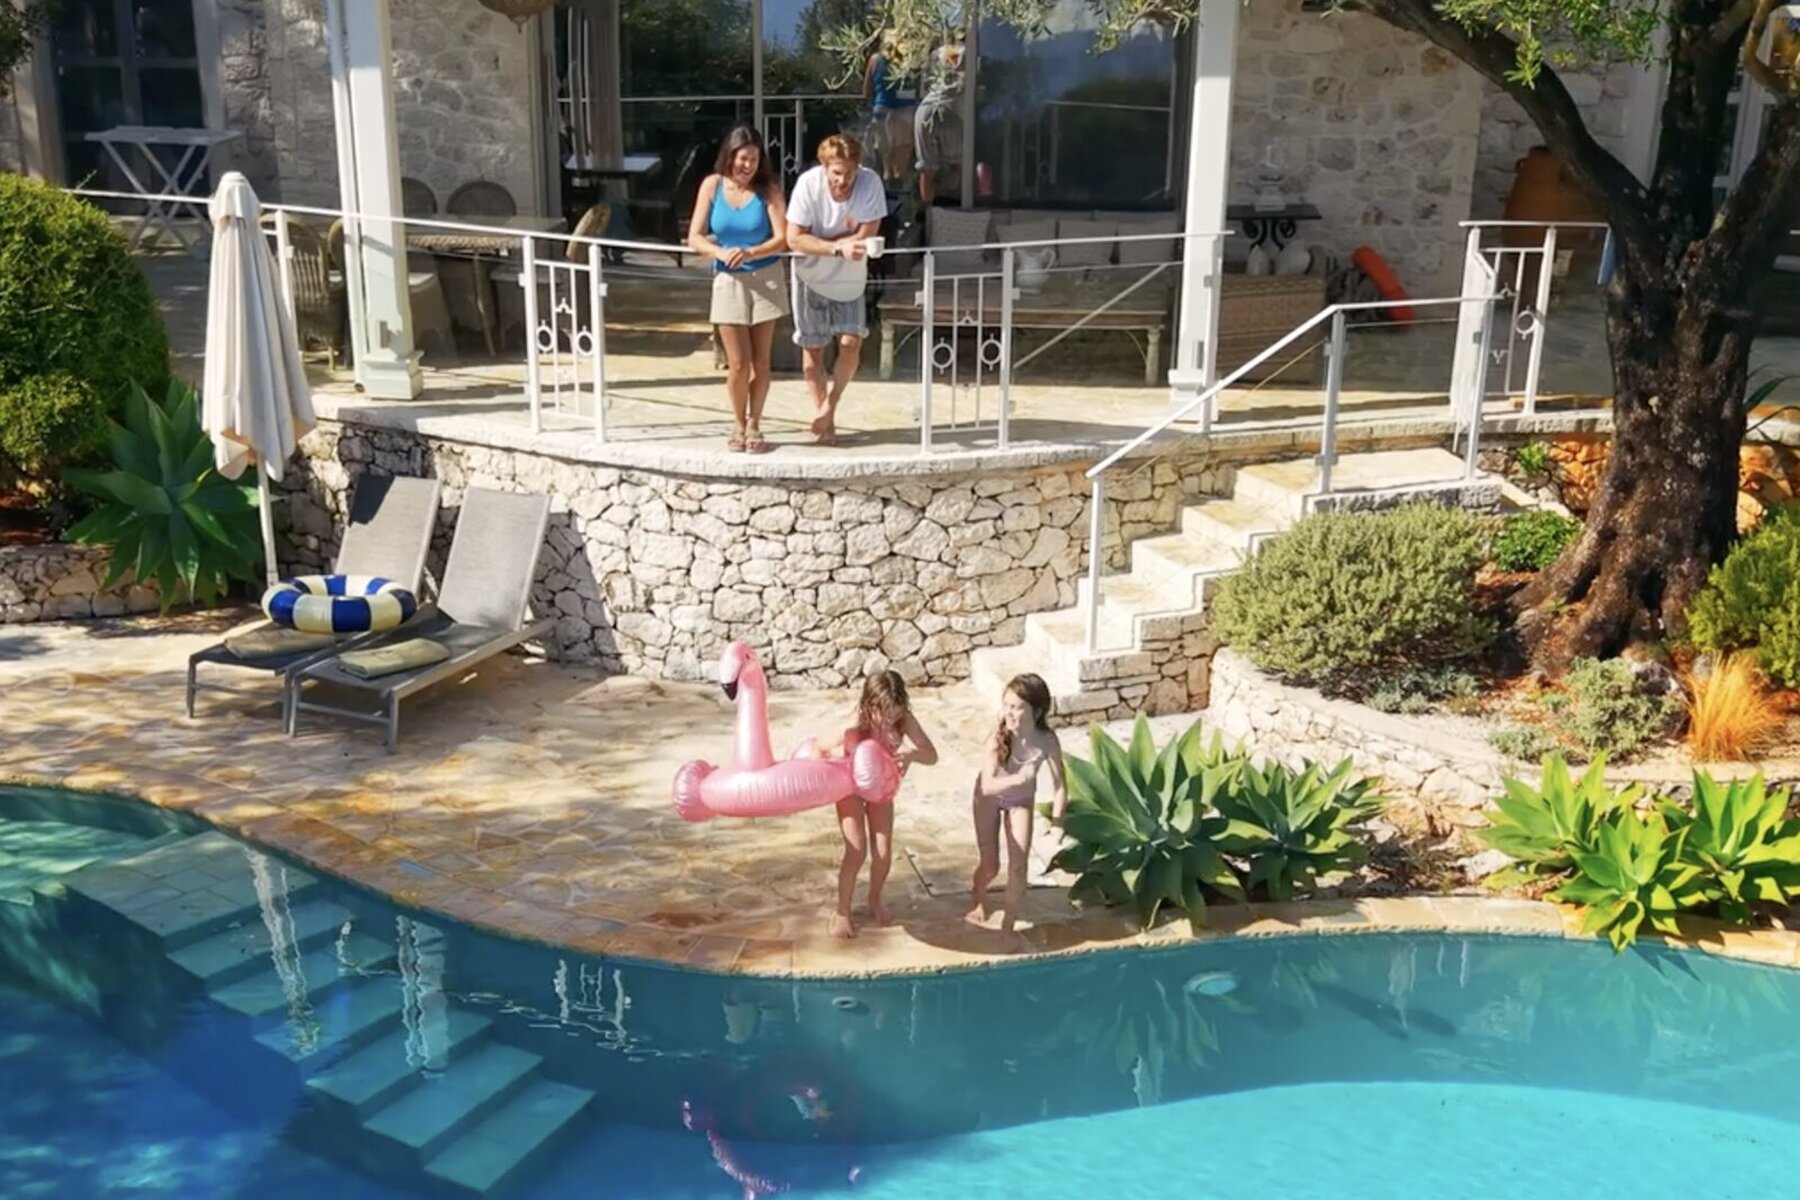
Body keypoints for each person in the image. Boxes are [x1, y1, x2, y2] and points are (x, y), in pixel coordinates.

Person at [688, 125, 789, 454]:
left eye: (754, 160)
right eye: (743, 158)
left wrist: (752, 252)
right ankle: (738, 423)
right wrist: (719, 252)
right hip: (728, 279)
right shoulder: (712, 185)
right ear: (730, 157)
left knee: (761, 361)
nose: (748, 166)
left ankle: (755, 423)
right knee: (738, 363)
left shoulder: (768, 190)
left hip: (765, 278)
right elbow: (695, 236)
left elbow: (782, 238)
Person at [784, 135, 889, 446]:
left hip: (849, 278)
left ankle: (829, 407)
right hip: (809, 275)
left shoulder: (870, 183)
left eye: (849, 173)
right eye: (837, 173)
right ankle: (824, 421)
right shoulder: (807, 185)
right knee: (813, 347)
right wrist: (835, 248)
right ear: (824, 167)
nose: (843, 180)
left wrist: (831, 244)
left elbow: (867, 232)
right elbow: (794, 238)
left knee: (850, 342)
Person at [817, 671, 938, 939]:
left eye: (894, 713)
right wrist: (827, 775)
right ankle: (842, 911)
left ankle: (874, 897)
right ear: (869, 705)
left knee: (883, 851)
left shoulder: (904, 721)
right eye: (883, 713)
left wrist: (912, 755)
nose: (888, 720)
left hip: (881, 788)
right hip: (850, 789)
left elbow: (932, 756)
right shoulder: (853, 725)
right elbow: (820, 748)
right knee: (856, 850)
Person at [967, 673, 1066, 934]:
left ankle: (1008, 925)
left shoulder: (1046, 740)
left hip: (1021, 801)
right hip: (988, 799)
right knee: (990, 865)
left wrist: (1058, 823)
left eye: (1016, 707)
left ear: (1037, 712)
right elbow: (988, 786)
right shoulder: (997, 737)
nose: (1008, 713)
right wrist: (1020, 778)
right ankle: (978, 897)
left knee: (1019, 865)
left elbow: (1060, 785)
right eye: (1006, 705)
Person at [913, 35, 966, 207]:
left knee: (926, 168)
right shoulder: (965, 53)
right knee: (957, 164)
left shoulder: (935, 54)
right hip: (948, 108)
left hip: (926, 108)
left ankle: (928, 210)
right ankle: (951, 204)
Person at [862, 34, 917, 183]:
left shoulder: (875, 59)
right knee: (903, 149)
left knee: (885, 147)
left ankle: (887, 179)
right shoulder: (908, 59)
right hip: (905, 108)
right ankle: (900, 183)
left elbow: (867, 90)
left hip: (882, 106)